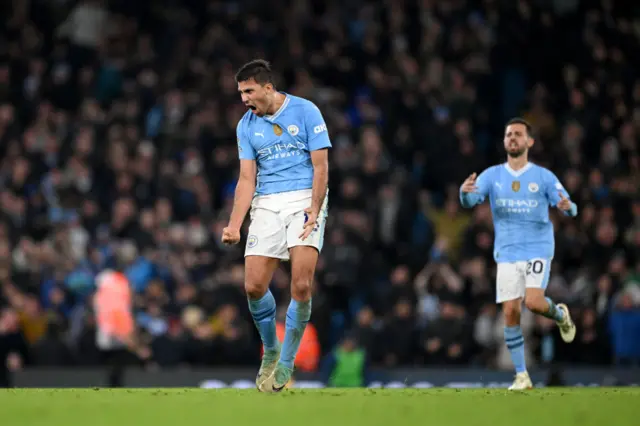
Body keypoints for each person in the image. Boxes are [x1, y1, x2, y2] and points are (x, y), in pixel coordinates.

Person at [221, 59, 331, 392]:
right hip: (267, 202)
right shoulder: (245, 126)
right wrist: (234, 224)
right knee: (253, 286)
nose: (244, 99)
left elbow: (321, 166)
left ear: (268, 88)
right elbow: (246, 178)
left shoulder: (306, 111)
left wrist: (315, 207)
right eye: (241, 93)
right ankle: (271, 349)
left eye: (249, 91)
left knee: (300, 285)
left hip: (304, 198)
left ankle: (287, 361)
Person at [459, 118, 577, 390]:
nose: (512, 138)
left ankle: (560, 315)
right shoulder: (492, 175)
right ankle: (522, 376)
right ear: (504, 141)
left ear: (529, 142)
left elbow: (571, 207)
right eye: (508, 134)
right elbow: (470, 201)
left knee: (534, 303)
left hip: (537, 248)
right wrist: (464, 194)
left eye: (518, 134)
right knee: (511, 312)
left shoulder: (543, 177)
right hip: (507, 252)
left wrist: (567, 207)